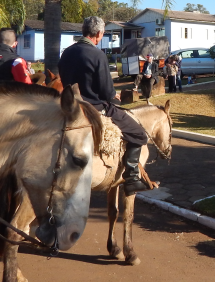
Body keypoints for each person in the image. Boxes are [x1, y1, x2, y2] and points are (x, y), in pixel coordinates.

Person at [58, 16, 150, 195]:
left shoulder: (67, 53)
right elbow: (106, 92)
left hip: (70, 106)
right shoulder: (97, 54)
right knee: (139, 134)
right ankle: (131, 178)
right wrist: (111, 94)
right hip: (93, 108)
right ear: (99, 34)